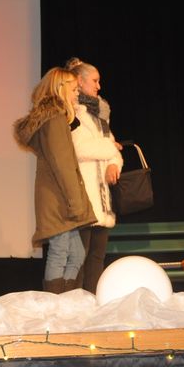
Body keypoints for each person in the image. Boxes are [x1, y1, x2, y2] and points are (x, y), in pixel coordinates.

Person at [13, 67, 97, 293]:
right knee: (60, 252)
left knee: (77, 253)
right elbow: (63, 166)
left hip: (59, 197)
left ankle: (64, 297)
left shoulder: (56, 119)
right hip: (58, 200)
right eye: (74, 88)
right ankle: (55, 300)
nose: (77, 93)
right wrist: (76, 203)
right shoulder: (55, 120)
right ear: (60, 88)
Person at [65, 58, 122, 293]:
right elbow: (80, 149)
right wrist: (111, 148)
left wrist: (114, 165)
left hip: (103, 199)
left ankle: (92, 300)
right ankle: (75, 303)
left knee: (97, 256)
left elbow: (114, 151)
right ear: (80, 81)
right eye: (95, 81)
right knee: (79, 257)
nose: (99, 86)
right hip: (84, 196)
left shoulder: (101, 115)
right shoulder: (72, 110)